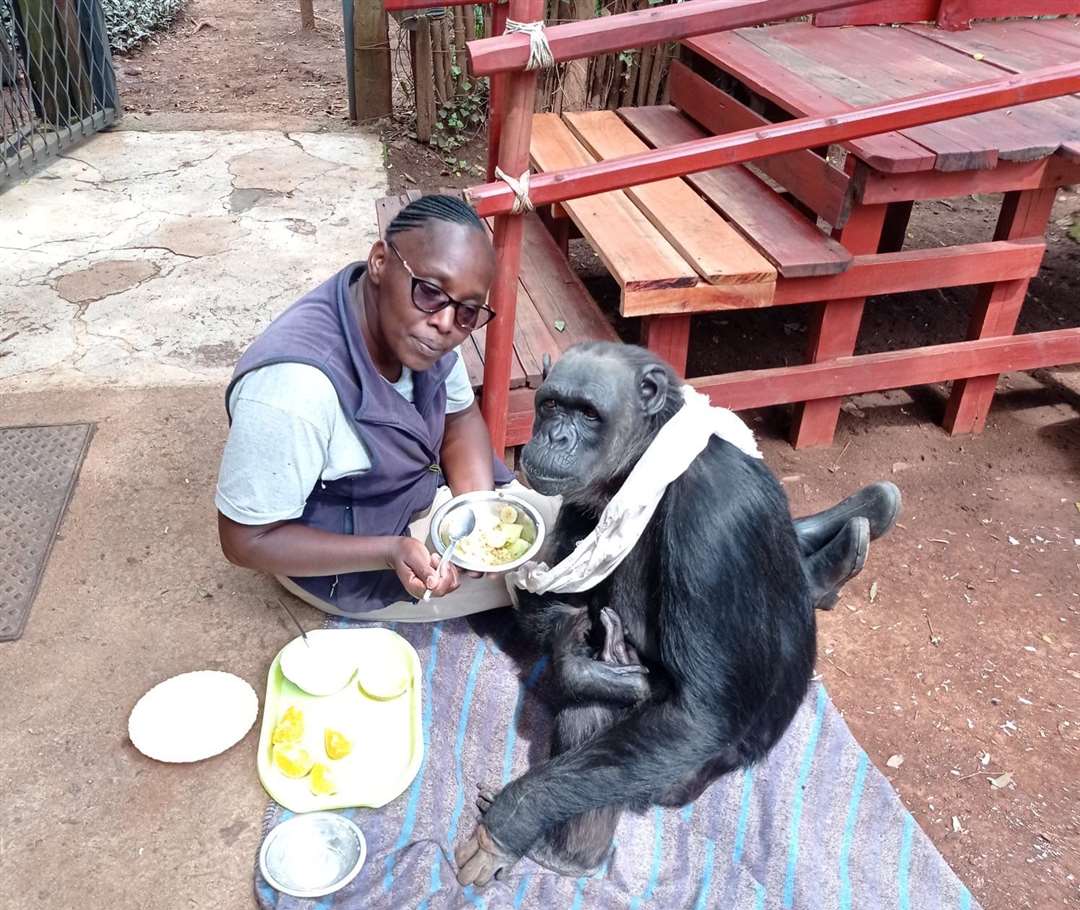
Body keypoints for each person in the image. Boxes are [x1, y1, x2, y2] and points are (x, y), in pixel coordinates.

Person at [215, 194, 897, 623]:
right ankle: (776, 589)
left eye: (467, 312)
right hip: (349, 562)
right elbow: (247, 540)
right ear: (381, 263)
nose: (445, 324)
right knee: (585, 566)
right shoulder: (296, 392)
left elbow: (458, 418)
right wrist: (393, 551)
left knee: (614, 503)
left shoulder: (421, 324)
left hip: (424, 514)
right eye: (431, 293)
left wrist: (475, 509)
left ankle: (781, 544)